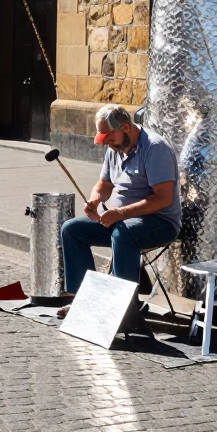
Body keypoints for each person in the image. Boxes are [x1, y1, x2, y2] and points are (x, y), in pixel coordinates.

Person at [59, 103, 180, 312]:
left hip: (160, 221)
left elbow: (162, 199)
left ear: (125, 127)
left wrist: (120, 214)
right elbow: (104, 184)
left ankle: (123, 308)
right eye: (103, 138)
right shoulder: (114, 148)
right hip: (120, 220)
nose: (107, 142)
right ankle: (84, 302)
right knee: (72, 230)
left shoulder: (155, 148)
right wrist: (95, 200)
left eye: (109, 137)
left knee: (123, 233)